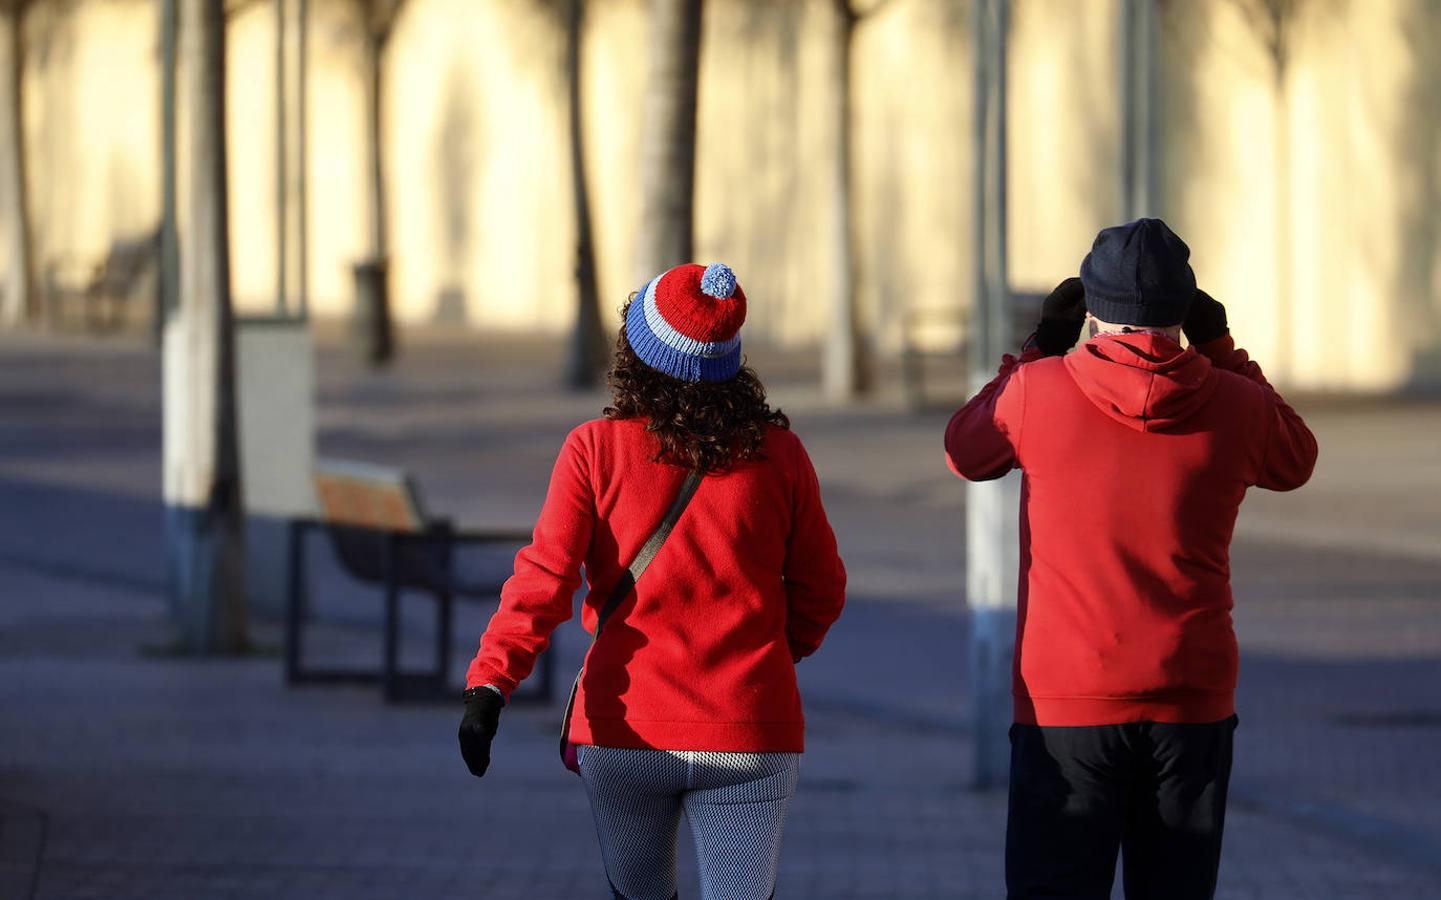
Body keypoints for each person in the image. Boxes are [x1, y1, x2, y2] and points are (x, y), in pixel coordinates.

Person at [945, 218, 1318, 899]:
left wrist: (1036, 349)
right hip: (1190, 697)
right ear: (1184, 308)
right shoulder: (1235, 405)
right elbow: (1296, 458)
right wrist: (1222, 347)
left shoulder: (1038, 391)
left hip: (1066, 703)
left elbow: (965, 451)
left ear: (1091, 307)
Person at [457, 262, 847, 900]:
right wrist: (767, 655)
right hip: (749, 730)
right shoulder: (782, 456)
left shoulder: (592, 449)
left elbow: (543, 581)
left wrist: (489, 687)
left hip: (628, 727)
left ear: (635, 352)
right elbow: (823, 588)